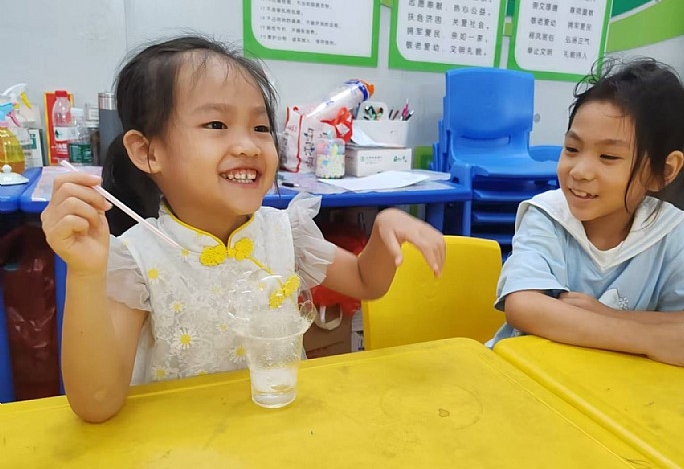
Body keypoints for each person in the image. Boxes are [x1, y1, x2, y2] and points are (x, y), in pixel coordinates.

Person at [41, 36, 445, 422]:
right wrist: (86, 273)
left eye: (260, 128)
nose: (249, 146)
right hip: (180, 449)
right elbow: (97, 403)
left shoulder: (285, 233)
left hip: (278, 433)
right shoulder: (137, 259)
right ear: (148, 151)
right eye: (216, 124)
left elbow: (365, 281)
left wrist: (385, 229)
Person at [490, 58, 684, 365]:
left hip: (608, 382)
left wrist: (613, 317)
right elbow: (524, 306)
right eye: (572, 149)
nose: (580, 171)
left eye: (609, 156)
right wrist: (650, 339)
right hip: (525, 373)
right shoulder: (548, 216)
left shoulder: (668, 232)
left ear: (664, 171)